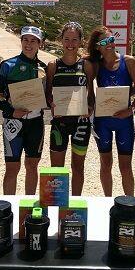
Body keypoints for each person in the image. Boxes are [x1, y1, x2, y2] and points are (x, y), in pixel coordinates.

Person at [86, 26, 135, 197]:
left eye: (111, 39)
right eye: (104, 42)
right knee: (106, 164)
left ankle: (130, 203)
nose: (110, 44)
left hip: (124, 121)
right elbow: (90, 93)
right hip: (102, 120)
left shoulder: (129, 62)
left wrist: (131, 109)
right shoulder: (95, 65)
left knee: (125, 166)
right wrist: (88, 107)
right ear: (98, 46)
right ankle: (107, 201)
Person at [0, 25, 47, 195]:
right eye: (25, 40)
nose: (28, 44)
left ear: (40, 44)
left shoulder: (44, 68)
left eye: (33, 41)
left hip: (36, 123)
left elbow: (50, 94)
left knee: (32, 166)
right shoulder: (7, 65)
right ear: (21, 41)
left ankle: (29, 206)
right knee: (12, 167)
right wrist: (10, 112)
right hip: (13, 122)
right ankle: (9, 206)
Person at [46, 22, 95, 196]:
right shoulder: (53, 65)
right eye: (66, 39)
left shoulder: (86, 66)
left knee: (78, 167)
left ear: (81, 41)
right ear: (61, 40)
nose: (70, 43)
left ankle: (74, 204)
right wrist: (51, 103)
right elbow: (47, 94)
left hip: (81, 124)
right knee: (57, 169)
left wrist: (89, 108)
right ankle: (58, 203)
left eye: (75, 39)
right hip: (59, 123)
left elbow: (91, 94)